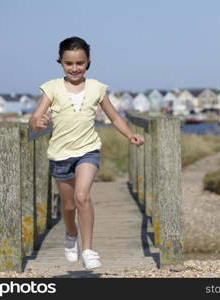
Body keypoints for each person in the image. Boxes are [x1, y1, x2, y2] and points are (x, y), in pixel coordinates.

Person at [28, 36, 145, 270]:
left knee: (82, 196)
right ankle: (71, 234)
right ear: (61, 62)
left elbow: (113, 117)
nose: (74, 68)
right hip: (60, 155)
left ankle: (88, 248)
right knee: (68, 205)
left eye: (79, 63)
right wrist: (37, 122)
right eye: (69, 63)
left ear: (88, 62)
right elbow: (34, 118)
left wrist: (129, 134)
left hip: (87, 151)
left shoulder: (97, 88)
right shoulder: (51, 88)